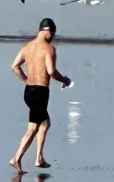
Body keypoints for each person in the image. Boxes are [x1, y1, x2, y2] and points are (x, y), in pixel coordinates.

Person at [10, 18, 72, 171]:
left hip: (29, 91)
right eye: (53, 34)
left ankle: (39, 158)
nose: (53, 37)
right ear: (49, 31)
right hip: (40, 92)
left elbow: (15, 66)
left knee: (44, 123)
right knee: (33, 127)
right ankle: (17, 158)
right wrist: (64, 80)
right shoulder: (48, 49)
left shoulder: (27, 47)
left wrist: (26, 80)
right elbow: (51, 71)